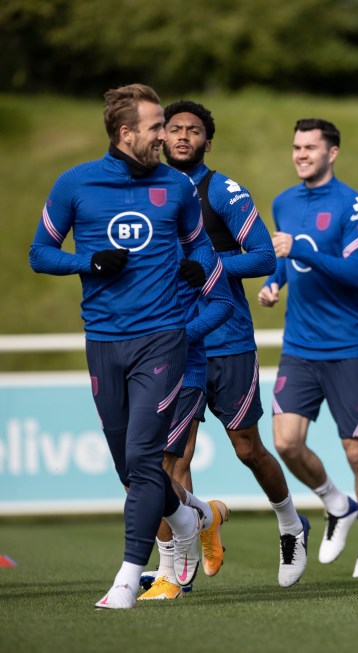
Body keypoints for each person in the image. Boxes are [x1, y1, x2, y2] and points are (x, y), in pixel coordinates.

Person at [29, 84, 219, 609]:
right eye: (157, 127)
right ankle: (189, 517)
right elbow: (40, 253)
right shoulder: (75, 184)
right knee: (128, 468)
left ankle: (128, 577)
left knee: (142, 456)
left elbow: (200, 244)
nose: (167, 136)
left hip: (163, 338)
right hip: (103, 343)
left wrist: (199, 265)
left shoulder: (177, 186)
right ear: (126, 131)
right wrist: (85, 262)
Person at [161, 100, 310, 588]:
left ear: (208, 140)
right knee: (171, 458)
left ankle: (291, 523)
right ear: (160, 137)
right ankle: (178, 560)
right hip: (173, 343)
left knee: (247, 448)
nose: (183, 136)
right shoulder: (146, 194)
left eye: (194, 131)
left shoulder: (221, 190)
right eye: (175, 129)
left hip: (226, 339)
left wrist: (209, 266)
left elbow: (264, 257)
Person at [258, 118, 358, 578]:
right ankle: (336, 502)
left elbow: (357, 275)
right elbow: (286, 261)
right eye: (296, 146)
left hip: (348, 344)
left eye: (310, 147)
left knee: (357, 452)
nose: (300, 154)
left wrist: (298, 252)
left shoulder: (352, 204)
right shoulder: (283, 202)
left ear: (332, 153)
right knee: (286, 443)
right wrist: (274, 283)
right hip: (299, 345)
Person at [138, 251, 235, 600]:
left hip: (184, 370)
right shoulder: (132, 237)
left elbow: (224, 303)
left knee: (165, 466)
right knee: (138, 470)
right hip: (137, 368)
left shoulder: (195, 244)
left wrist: (179, 336)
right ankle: (204, 514)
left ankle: (170, 576)